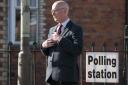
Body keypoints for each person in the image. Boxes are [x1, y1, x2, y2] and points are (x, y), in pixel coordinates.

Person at [41, 0, 83, 85]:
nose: (52, 13)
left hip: (67, 77)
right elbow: (48, 53)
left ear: (64, 11)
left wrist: (60, 39)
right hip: (51, 77)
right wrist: (44, 46)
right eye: (51, 11)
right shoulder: (52, 30)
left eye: (54, 11)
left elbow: (77, 50)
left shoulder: (76, 29)